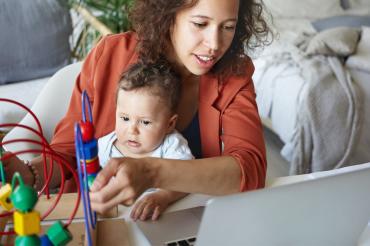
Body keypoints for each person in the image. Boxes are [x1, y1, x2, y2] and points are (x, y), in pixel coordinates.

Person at [3, 0, 271, 215]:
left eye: (227, 27)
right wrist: (28, 174)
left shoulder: (235, 72)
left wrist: (152, 172)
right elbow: (71, 153)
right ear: (169, 13)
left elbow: (249, 169)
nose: (214, 44)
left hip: (190, 220)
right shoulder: (110, 55)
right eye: (200, 23)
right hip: (107, 220)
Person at [98, 61, 193, 220]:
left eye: (145, 122)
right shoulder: (106, 146)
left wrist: (163, 196)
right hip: (118, 219)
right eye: (125, 118)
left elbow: (189, 179)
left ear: (169, 124)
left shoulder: (171, 147)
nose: (132, 130)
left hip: (163, 217)